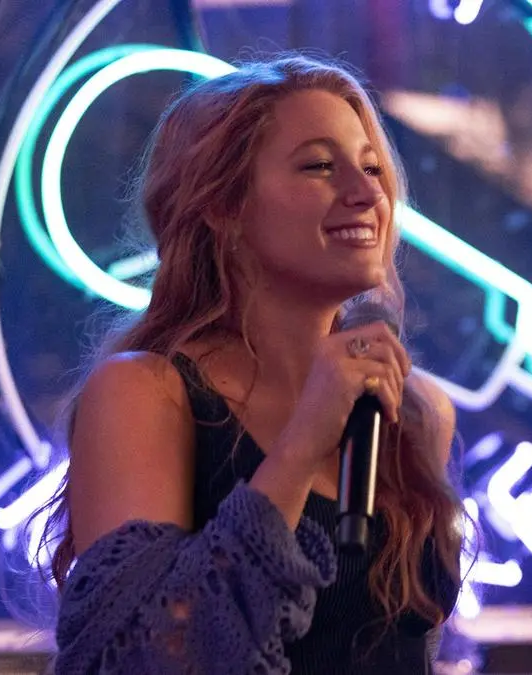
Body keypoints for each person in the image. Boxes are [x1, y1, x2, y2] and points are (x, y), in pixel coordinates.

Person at [34, 54, 464, 674]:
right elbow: (137, 658)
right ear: (223, 205)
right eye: (320, 166)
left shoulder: (418, 413)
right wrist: (300, 446)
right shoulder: (146, 393)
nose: (368, 192)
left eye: (372, 167)